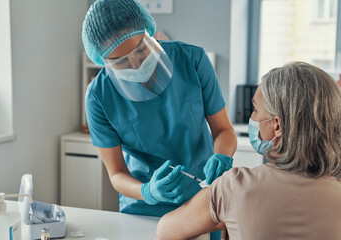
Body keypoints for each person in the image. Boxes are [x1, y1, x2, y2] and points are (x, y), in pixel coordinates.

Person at [82, 0, 237, 238]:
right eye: (121, 62)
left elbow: (224, 130)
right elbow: (116, 174)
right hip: (143, 207)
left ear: (148, 31)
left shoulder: (192, 60)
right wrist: (147, 191)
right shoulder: (98, 96)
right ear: (104, 61)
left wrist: (222, 156)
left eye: (141, 50)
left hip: (201, 198)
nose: (137, 65)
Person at [156, 62, 341, 240]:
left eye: (255, 109)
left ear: (277, 125)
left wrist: (221, 213)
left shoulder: (234, 186)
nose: (252, 117)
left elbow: (166, 230)